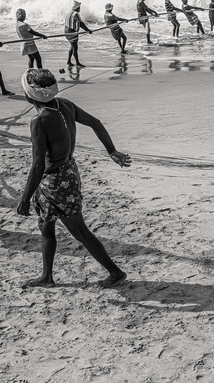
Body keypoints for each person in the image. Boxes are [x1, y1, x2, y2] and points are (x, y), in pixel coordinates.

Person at [17, 68, 131, 288]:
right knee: (46, 225)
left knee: (79, 230)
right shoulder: (63, 104)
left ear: (28, 95)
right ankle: (46, 277)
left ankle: (115, 273)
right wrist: (112, 151)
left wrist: (24, 198)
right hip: (68, 171)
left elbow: (39, 164)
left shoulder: (39, 120)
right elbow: (96, 122)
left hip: (55, 182)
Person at [64, 1, 93, 68]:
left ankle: (69, 61)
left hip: (66, 32)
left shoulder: (69, 13)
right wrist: (88, 30)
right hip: (72, 32)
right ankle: (77, 63)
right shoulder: (76, 14)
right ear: (77, 7)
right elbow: (81, 24)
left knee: (72, 46)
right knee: (75, 47)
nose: (80, 9)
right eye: (79, 7)